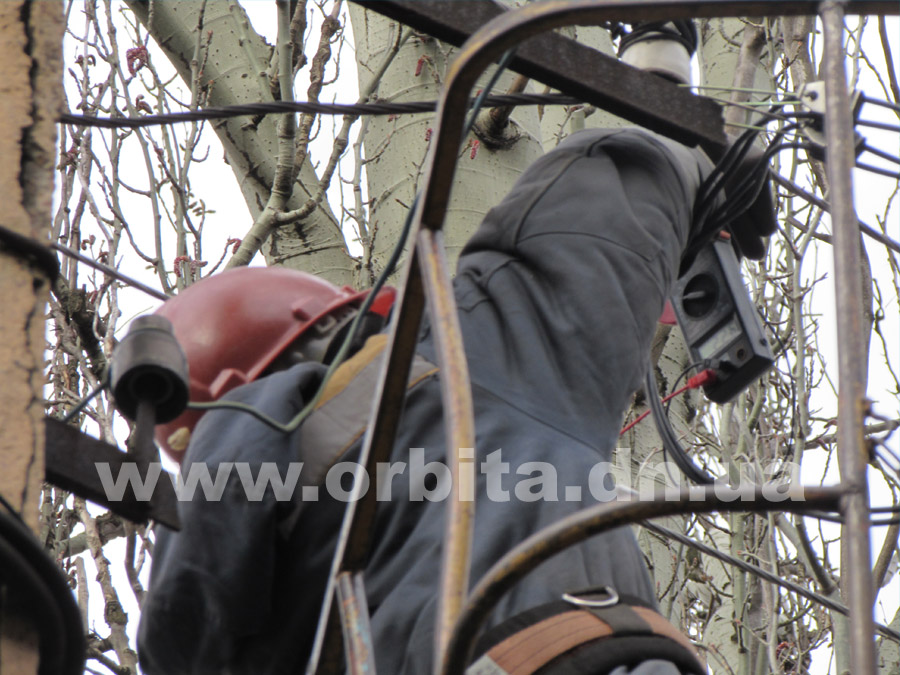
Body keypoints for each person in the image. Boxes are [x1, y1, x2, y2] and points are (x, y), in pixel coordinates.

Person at [135, 123, 772, 675]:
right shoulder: (471, 358)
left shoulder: (238, 559)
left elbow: (183, 620)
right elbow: (593, 211)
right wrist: (690, 159)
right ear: (337, 322)